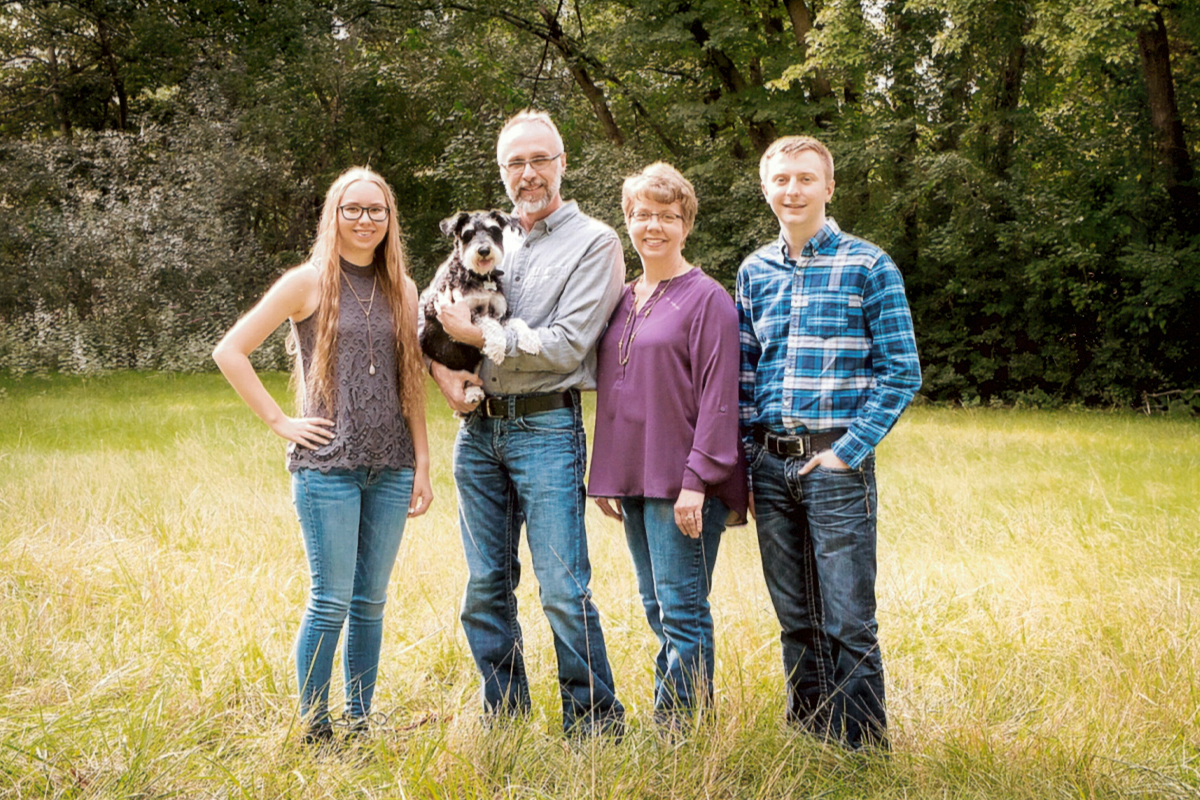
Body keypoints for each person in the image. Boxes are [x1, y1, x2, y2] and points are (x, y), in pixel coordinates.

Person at [213, 167, 433, 744]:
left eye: (377, 211)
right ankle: (315, 725)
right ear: (334, 214)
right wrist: (280, 422)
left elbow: (411, 383)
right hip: (326, 468)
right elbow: (230, 350)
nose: (365, 220)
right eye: (353, 209)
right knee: (331, 599)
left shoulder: (403, 289)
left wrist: (424, 465)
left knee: (371, 602)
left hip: (391, 468)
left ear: (390, 221)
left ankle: (360, 722)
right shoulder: (307, 282)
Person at [428, 110, 626, 735]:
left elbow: (569, 346)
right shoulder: (484, 237)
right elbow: (432, 319)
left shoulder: (595, 243)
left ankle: (594, 722)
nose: (528, 172)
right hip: (477, 431)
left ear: (562, 163)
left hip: (546, 427)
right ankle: (505, 716)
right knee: (486, 585)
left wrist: (481, 333)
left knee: (563, 587)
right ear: (503, 172)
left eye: (540, 159)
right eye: (515, 162)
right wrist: (445, 375)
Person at [737, 136, 920, 749]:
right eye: (782, 179)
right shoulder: (754, 271)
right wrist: (747, 462)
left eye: (805, 179)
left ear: (828, 187)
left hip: (836, 461)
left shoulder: (869, 264)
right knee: (796, 616)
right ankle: (812, 734)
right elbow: (745, 374)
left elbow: (902, 370)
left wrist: (849, 448)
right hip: (771, 461)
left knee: (847, 617)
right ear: (766, 188)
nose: (793, 189)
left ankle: (863, 746)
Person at [588, 163, 746, 726]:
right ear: (627, 220)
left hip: (684, 482)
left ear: (686, 225)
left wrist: (696, 482)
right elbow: (617, 391)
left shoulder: (708, 299)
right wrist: (604, 476)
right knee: (655, 605)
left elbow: (719, 396)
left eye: (668, 216)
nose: (654, 226)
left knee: (681, 610)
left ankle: (684, 729)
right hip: (634, 475)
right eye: (643, 215)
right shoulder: (624, 299)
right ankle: (677, 718)